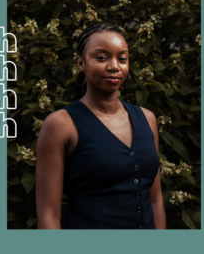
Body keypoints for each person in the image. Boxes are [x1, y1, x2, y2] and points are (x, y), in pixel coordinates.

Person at [35, 23, 166, 229]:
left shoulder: (147, 119)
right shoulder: (61, 124)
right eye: (101, 58)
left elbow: (155, 199)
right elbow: (49, 216)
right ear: (81, 63)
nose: (114, 66)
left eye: (122, 59)